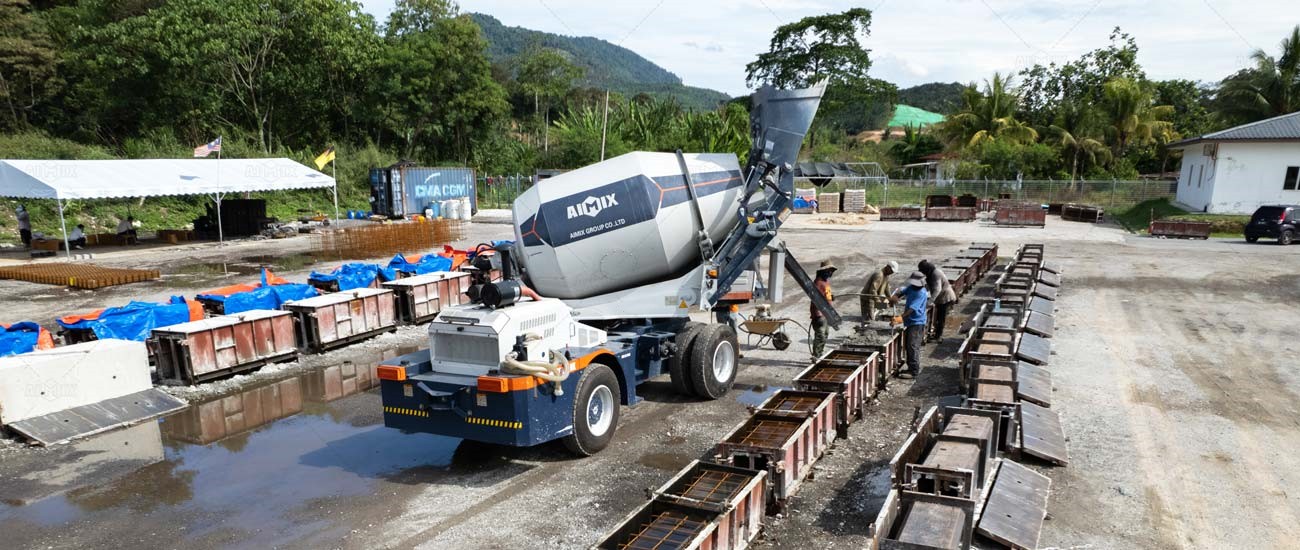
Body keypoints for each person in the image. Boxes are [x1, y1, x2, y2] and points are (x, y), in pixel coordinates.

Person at [891, 271, 930, 378]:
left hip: (917, 322)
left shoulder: (921, 293)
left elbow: (912, 309)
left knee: (913, 346)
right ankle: (910, 368)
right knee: (909, 346)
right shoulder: (912, 287)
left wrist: (900, 318)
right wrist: (896, 296)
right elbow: (903, 291)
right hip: (911, 321)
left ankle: (914, 371)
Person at [918, 260, 958, 340]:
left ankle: (938, 336)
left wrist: (929, 302)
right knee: (939, 317)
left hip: (945, 298)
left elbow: (937, 289)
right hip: (941, 298)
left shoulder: (936, 274)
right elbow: (929, 287)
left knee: (940, 318)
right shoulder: (931, 274)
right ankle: (937, 334)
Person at [810, 260, 836, 359]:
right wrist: (818, 314)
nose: (830, 273)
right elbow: (817, 299)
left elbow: (825, 295)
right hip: (819, 315)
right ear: (823, 271)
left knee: (825, 335)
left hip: (826, 314)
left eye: (831, 271)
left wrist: (830, 297)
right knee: (820, 335)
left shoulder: (825, 282)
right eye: (828, 271)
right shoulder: (818, 283)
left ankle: (819, 355)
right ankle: (816, 356)